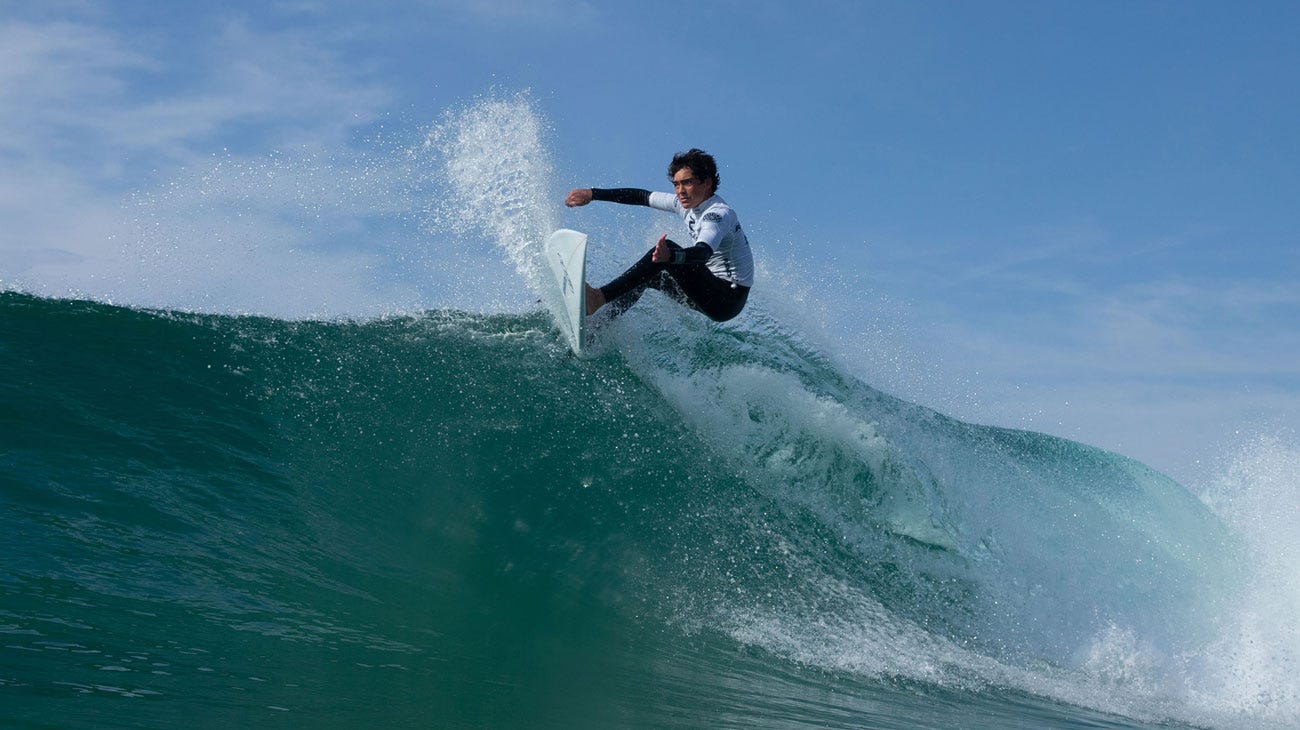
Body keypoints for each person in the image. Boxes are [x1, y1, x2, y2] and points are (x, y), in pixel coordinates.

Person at [564, 148, 754, 322]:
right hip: (709, 291)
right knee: (649, 276)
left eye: (687, 183)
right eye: (676, 184)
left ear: (707, 183)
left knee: (667, 250)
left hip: (727, 298)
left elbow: (703, 252)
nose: (680, 191)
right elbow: (641, 197)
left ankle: (598, 298)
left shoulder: (717, 214)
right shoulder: (684, 204)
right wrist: (592, 194)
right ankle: (599, 326)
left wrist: (671, 256)